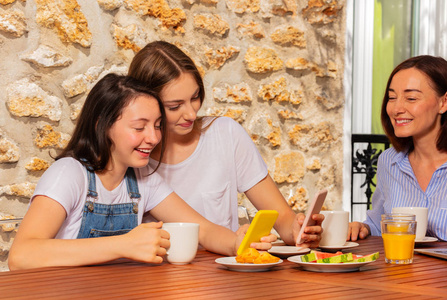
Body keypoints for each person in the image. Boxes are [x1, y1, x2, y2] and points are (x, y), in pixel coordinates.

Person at [8, 74, 276, 270]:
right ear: (103, 125)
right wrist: (122, 245)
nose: (153, 137)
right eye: (139, 128)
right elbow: (21, 255)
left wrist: (236, 243)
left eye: (157, 125)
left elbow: (202, 230)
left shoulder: (143, 178)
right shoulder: (69, 173)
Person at [128, 41, 324, 247]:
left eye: (195, 97)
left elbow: (281, 216)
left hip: (224, 273)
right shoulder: (135, 159)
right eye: (175, 106)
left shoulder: (225, 134)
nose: (191, 114)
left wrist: (297, 230)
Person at [348, 55, 447, 242]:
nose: (396, 108)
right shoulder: (389, 161)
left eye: (411, 98)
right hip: (400, 269)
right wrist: (362, 227)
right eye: (392, 97)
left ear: (444, 102)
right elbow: (379, 223)